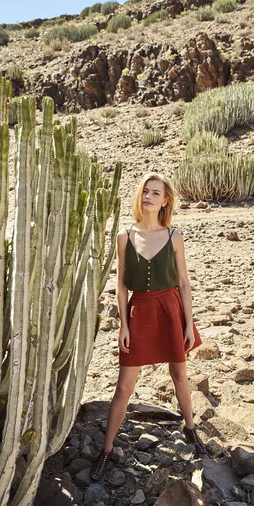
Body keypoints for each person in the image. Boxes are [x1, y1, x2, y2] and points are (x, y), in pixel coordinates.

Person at [90, 172, 206, 480]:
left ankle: (191, 428)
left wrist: (188, 323)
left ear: (165, 200)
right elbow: (120, 285)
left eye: (155, 193)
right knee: (124, 385)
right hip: (139, 310)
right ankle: (106, 448)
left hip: (171, 309)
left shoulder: (174, 236)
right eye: (145, 191)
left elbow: (183, 282)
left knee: (179, 373)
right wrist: (123, 325)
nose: (148, 197)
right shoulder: (125, 236)